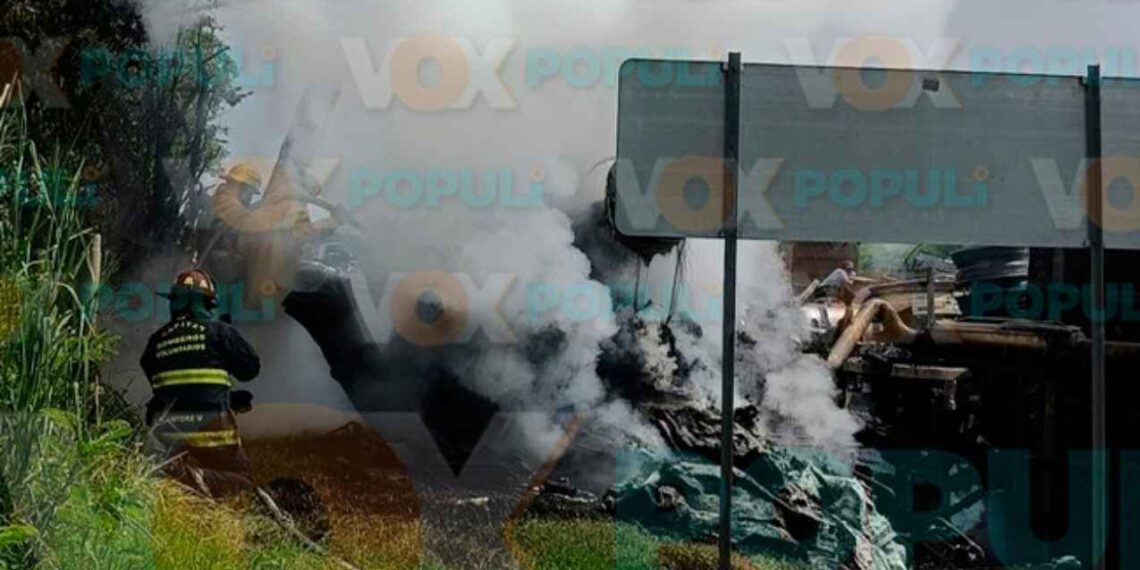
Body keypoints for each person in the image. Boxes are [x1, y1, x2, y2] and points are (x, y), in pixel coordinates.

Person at [140, 268, 260, 498]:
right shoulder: (219, 332)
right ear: (207, 302)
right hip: (214, 441)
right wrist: (231, 337)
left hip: (170, 443)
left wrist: (229, 398)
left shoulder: (156, 342)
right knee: (244, 487)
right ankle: (198, 478)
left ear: (174, 302)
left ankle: (181, 478)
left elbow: (176, 389)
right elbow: (250, 370)